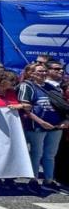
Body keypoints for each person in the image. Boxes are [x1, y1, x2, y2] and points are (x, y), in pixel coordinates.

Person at [17, 62, 69, 193]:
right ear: (30, 73)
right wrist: (41, 122)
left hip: (56, 126)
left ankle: (49, 180)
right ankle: (33, 180)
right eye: (39, 71)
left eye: (44, 71)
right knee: (36, 153)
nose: (43, 73)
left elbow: (63, 106)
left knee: (50, 154)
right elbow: (26, 109)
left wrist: (66, 120)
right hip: (37, 126)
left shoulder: (52, 87)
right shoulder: (27, 86)